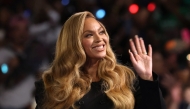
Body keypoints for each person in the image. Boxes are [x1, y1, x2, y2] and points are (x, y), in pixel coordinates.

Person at [35, 11, 166, 109]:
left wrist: (147, 78)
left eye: (101, 32)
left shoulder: (126, 78)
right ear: (73, 43)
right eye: (89, 35)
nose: (100, 39)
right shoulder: (52, 85)